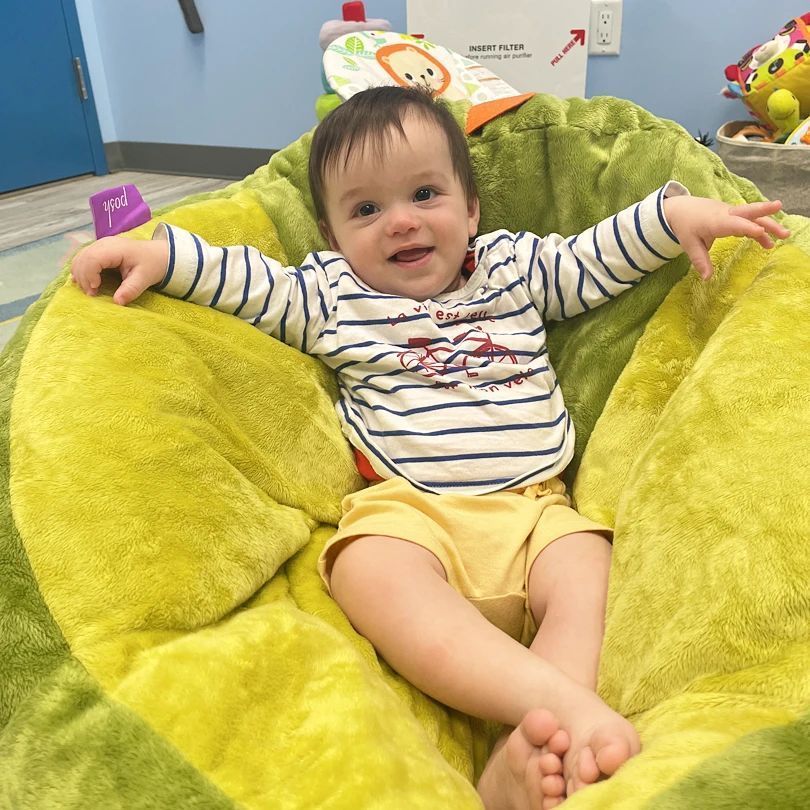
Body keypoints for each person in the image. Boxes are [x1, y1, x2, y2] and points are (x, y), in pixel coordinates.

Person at [71, 86, 789, 809]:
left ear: (470, 208)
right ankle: (556, 705)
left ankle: (522, 750)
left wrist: (674, 216)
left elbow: (590, 258)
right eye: (366, 210)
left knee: (593, 569)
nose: (402, 223)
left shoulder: (512, 269)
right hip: (413, 514)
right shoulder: (331, 296)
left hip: (538, 511)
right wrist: (157, 254)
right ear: (332, 235)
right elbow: (249, 280)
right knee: (363, 566)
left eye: (424, 193)